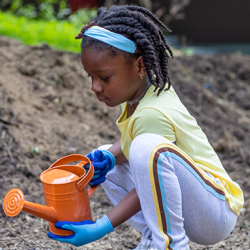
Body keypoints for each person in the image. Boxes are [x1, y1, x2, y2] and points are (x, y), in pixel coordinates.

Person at [47, 5, 244, 250]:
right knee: (108, 153)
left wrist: (102, 226)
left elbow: (150, 175)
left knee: (146, 148)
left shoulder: (153, 113)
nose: (95, 87)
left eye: (104, 77)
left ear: (140, 66)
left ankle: (170, 244)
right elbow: (135, 145)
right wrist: (110, 157)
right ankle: (154, 236)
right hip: (195, 204)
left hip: (215, 210)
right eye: (91, 77)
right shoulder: (140, 94)